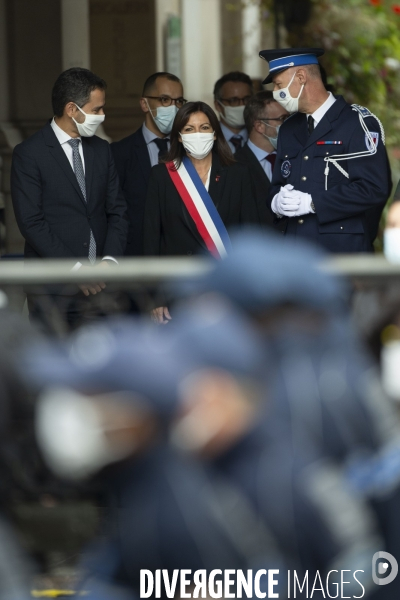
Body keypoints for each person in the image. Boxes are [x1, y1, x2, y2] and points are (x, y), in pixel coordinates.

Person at [11, 67, 128, 331]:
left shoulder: (102, 150)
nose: (102, 116)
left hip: (103, 287)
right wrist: (75, 270)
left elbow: (117, 210)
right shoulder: (29, 154)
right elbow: (31, 222)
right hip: (53, 288)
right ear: (72, 109)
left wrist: (109, 263)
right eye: (96, 109)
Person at [259, 47, 392, 253]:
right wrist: (276, 202)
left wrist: (314, 203)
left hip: (341, 253)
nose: (276, 92)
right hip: (296, 252)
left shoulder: (357, 123)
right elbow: (278, 183)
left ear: (301, 76)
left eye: (278, 84)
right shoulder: (288, 128)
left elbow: (374, 188)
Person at [143, 101, 259, 324]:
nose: (198, 134)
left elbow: (250, 233)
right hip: (177, 292)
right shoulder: (161, 176)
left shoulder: (238, 174)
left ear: (215, 134)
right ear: (178, 136)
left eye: (204, 128)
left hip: (227, 288)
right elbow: (151, 240)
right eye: (189, 129)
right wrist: (155, 298)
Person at [111, 72, 186, 256]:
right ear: (144, 104)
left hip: (183, 259)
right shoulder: (119, 153)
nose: (173, 108)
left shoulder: (190, 151)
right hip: (137, 260)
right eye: (165, 100)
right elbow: (114, 213)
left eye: (178, 101)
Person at [235, 91, 289, 227]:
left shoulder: (293, 158)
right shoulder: (234, 165)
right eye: (282, 118)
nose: (288, 123)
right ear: (259, 126)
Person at [213, 71, 253, 153]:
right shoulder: (207, 140)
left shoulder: (262, 138)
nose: (242, 105)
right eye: (233, 100)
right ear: (218, 105)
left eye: (246, 99)